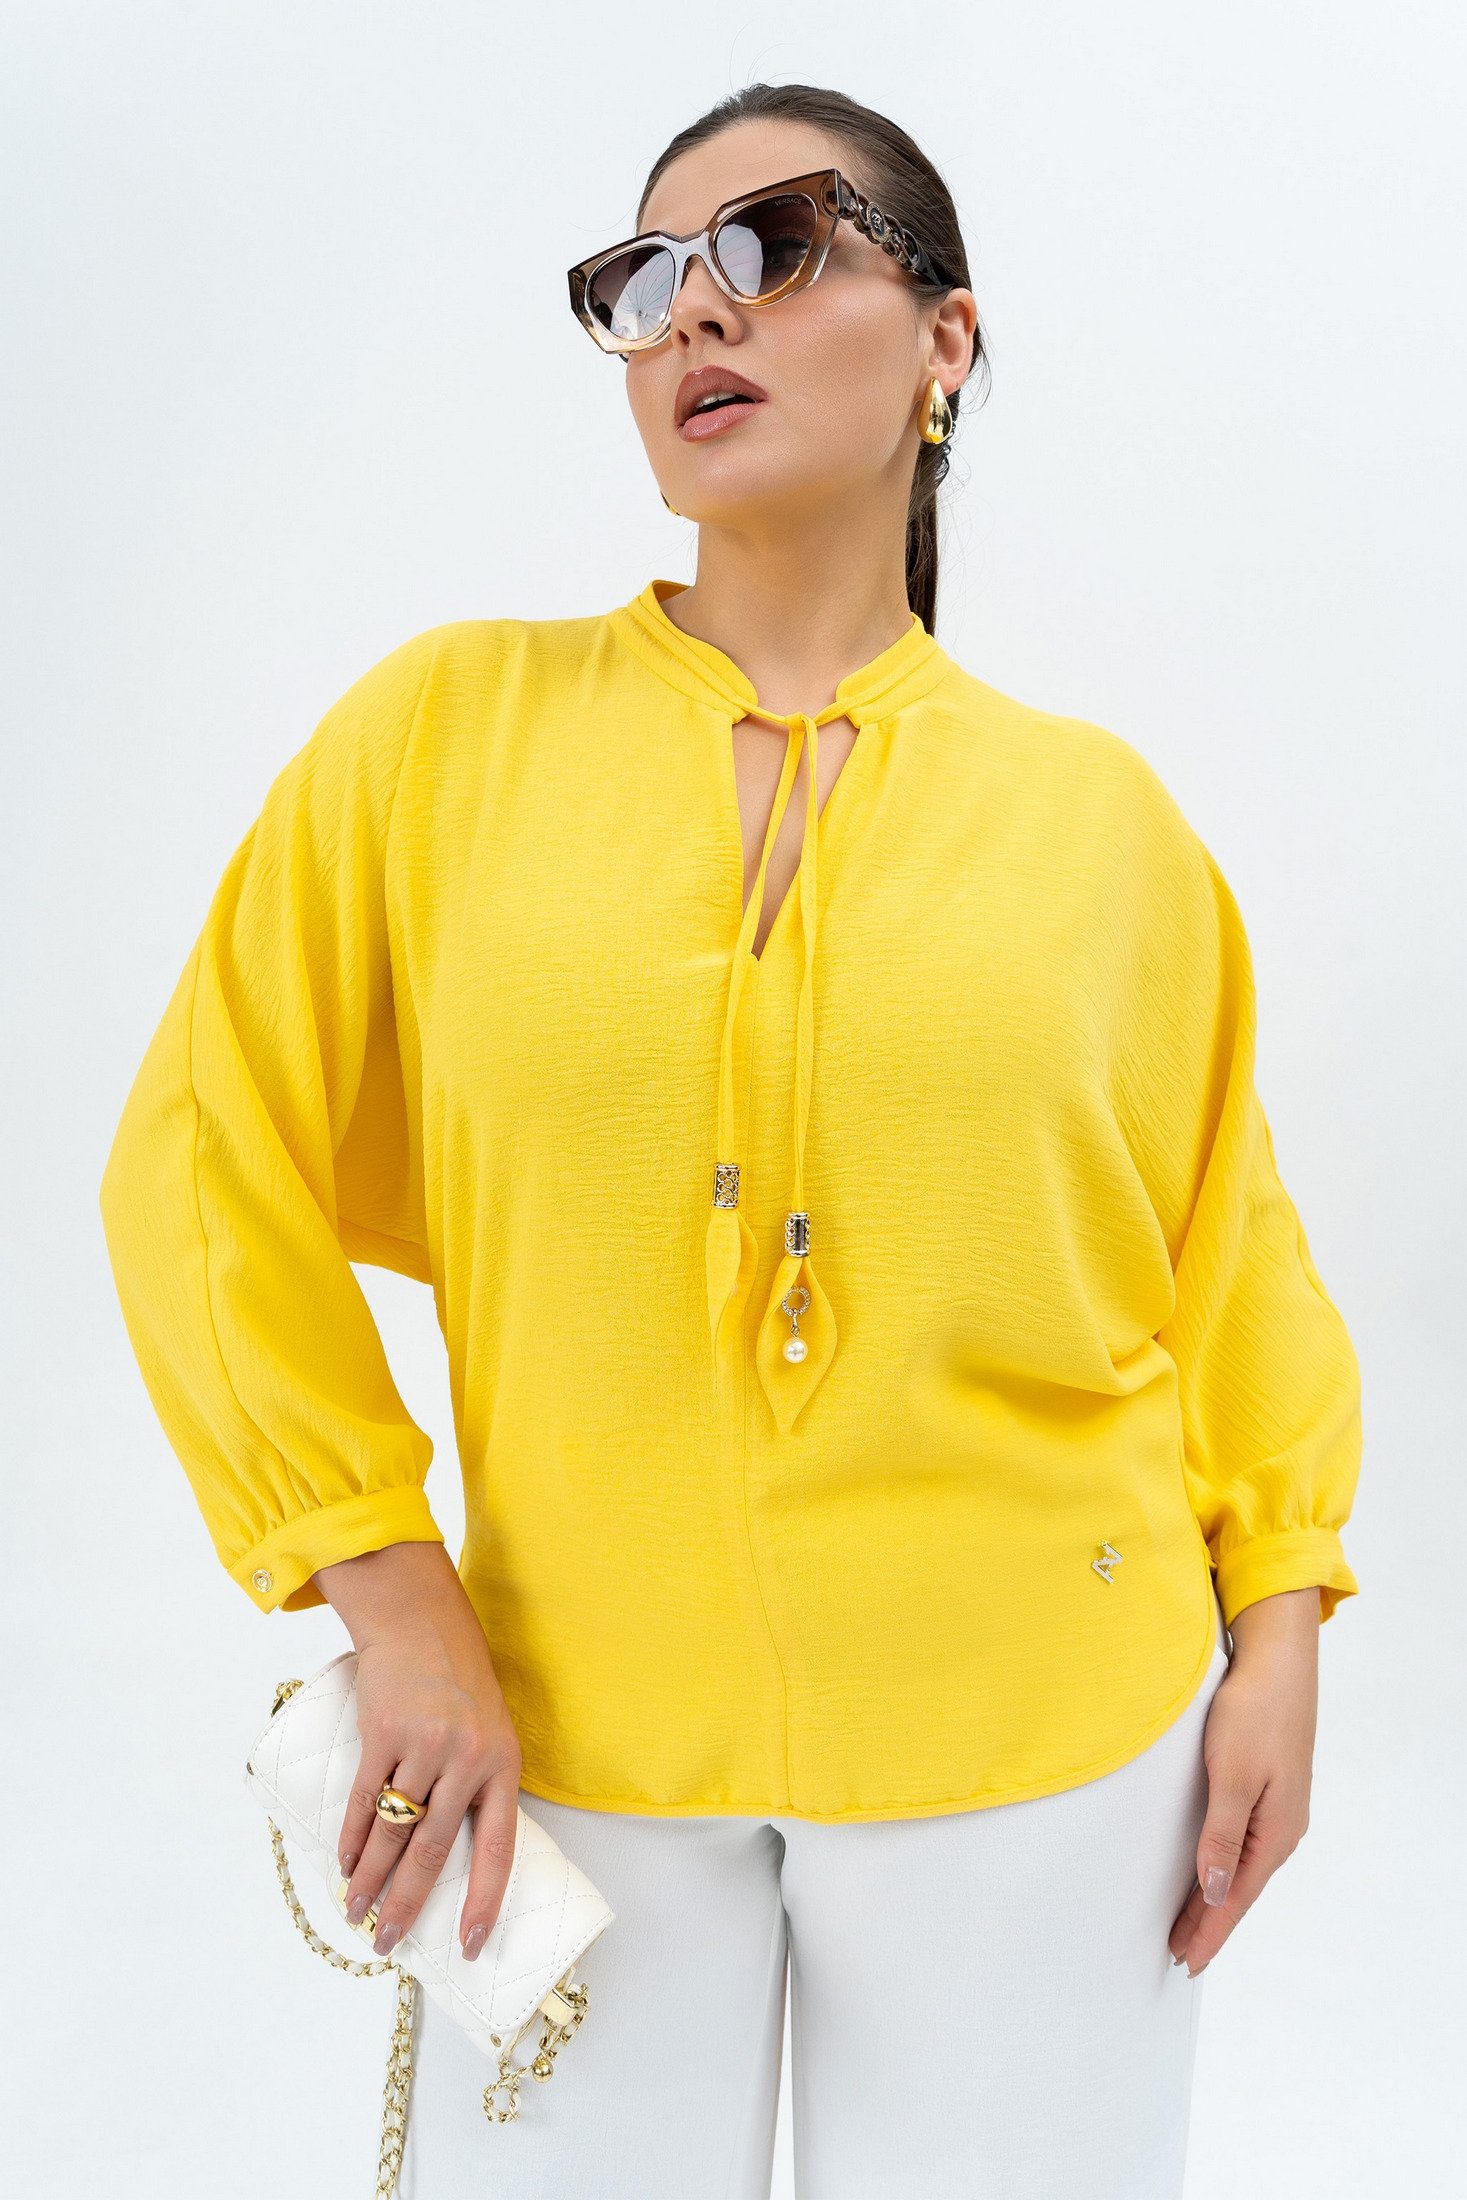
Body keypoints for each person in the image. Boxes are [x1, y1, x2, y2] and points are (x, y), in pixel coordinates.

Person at [100, 82, 1361, 2200]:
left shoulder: (1104, 828)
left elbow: (1225, 1250)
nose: (695, 312)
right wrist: (391, 1591)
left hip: (1045, 1742)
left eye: (770, 247)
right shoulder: (439, 738)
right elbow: (200, 1158)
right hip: (561, 1733)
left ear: (946, 340)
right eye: (645, 279)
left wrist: (1286, 1621)